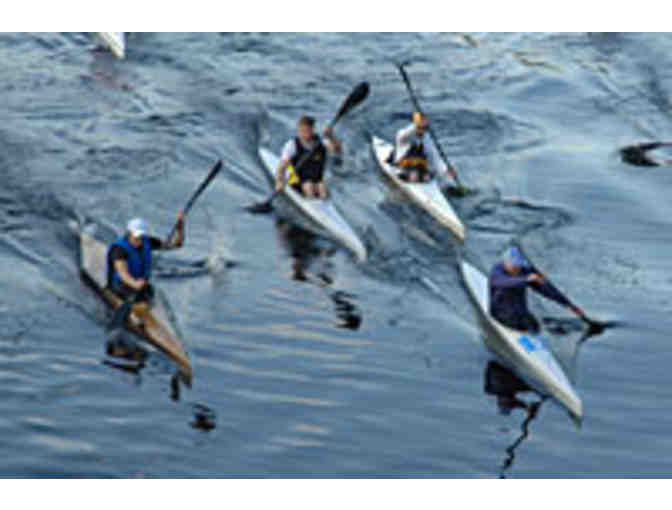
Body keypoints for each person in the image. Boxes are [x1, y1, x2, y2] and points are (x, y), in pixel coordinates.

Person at [489, 246, 584, 332]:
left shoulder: (524, 271)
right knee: (518, 322)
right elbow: (503, 282)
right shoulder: (497, 272)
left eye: (519, 266)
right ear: (506, 263)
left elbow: (548, 291)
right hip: (500, 313)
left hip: (520, 313)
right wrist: (526, 279)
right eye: (515, 266)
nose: (517, 269)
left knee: (535, 326)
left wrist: (569, 305)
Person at [106, 213, 185, 302]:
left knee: (150, 291)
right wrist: (134, 283)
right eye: (137, 236)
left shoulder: (147, 241)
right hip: (120, 284)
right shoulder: (119, 249)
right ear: (129, 233)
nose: (140, 240)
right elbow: (123, 273)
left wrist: (180, 228)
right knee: (136, 296)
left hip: (140, 284)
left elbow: (176, 244)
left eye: (141, 236)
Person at [275, 115, 342, 199]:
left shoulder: (321, 142)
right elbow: (281, 167)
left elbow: (337, 150)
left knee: (322, 187)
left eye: (307, 131)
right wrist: (279, 181)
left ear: (313, 130)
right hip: (296, 180)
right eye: (302, 131)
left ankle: (320, 203)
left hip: (316, 181)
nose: (304, 134)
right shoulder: (291, 145)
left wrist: (330, 136)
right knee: (309, 186)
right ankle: (310, 201)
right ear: (298, 129)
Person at [393, 112, 457, 183]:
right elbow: (404, 134)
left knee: (427, 177)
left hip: (419, 165)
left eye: (424, 128)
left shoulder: (427, 139)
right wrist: (416, 125)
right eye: (420, 127)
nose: (422, 130)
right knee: (414, 175)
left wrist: (446, 170)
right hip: (403, 165)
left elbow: (435, 158)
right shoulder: (404, 135)